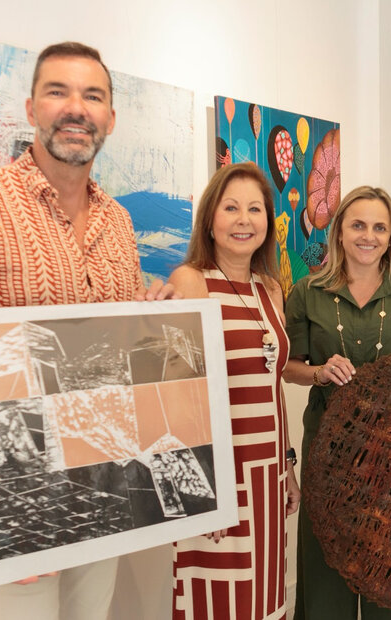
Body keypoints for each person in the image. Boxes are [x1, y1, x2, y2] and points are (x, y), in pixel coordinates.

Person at [0, 42, 174, 620]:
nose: (75, 108)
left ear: (109, 118)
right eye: (58, 92)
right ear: (32, 108)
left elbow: (121, 363)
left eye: (92, 95)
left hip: (102, 486)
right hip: (9, 500)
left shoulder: (118, 222)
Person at [283, 186, 391, 620]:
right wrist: (317, 372)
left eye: (379, 227)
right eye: (358, 225)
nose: (368, 236)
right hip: (329, 453)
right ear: (340, 232)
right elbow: (286, 366)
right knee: (326, 564)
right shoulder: (306, 292)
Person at [168, 162, 300, 619]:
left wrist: (288, 466)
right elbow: (176, 397)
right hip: (218, 477)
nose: (244, 220)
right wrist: (198, 494)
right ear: (210, 219)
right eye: (231, 208)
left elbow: (271, 388)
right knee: (218, 603)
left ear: (268, 221)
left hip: (266, 480)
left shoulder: (270, 290)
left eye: (255, 209)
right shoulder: (191, 282)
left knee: (264, 603)